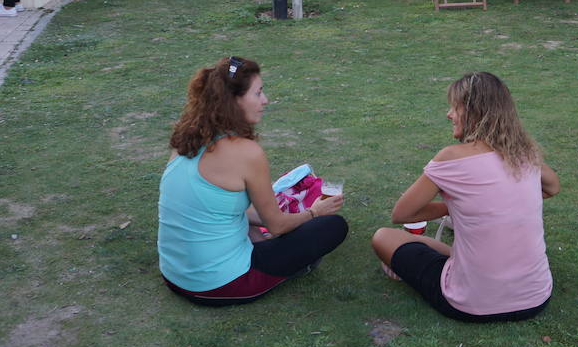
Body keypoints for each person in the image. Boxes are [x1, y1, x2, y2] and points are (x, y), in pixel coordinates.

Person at [159, 56, 349, 305]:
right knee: (332, 226)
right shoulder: (247, 153)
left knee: (256, 217)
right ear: (233, 101)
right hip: (220, 285)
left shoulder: (187, 138)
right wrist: (315, 212)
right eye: (258, 93)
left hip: (175, 275)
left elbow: (216, 206)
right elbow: (278, 226)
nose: (265, 100)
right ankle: (291, 265)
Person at [371, 72, 557, 321]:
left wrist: (450, 208)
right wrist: (482, 204)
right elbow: (552, 187)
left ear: (474, 112)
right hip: (536, 298)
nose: (449, 114)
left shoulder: (451, 158)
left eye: (454, 107)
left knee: (384, 237)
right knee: (441, 247)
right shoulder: (523, 153)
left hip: (470, 302)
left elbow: (402, 214)